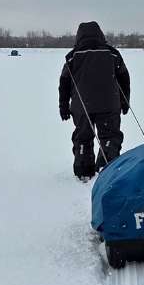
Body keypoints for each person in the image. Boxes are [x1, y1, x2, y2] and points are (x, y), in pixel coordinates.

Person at [58, 21, 131, 179]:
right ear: (100, 34)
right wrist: (125, 101)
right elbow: (124, 78)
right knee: (110, 136)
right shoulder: (112, 53)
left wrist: (63, 106)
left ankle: (84, 170)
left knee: (83, 137)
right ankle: (107, 166)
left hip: (81, 107)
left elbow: (64, 83)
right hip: (109, 104)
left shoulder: (73, 56)